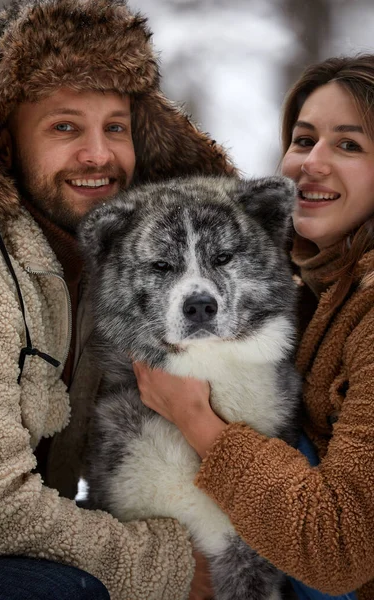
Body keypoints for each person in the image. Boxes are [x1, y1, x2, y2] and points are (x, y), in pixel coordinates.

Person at [0, 0, 235, 598]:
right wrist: (168, 565)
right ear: (4, 141)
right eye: (65, 127)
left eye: (115, 127)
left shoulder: (118, 268)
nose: (99, 156)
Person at [134, 53, 374, 600]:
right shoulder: (303, 284)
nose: (312, 163)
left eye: (349, 144)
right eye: (304, 139)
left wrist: (193, 416)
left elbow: (339, 550)